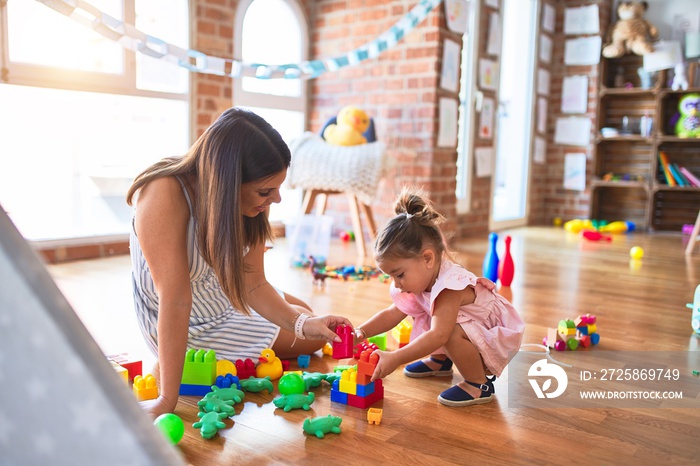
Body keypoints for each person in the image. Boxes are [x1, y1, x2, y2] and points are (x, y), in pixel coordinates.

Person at [126, 107, 353, 417]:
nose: (276, 200)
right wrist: (167, 398)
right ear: (228, 182)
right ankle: (172, 363)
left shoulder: (249, 204)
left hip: (222, 297)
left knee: (310, 319)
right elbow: (175, 298)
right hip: (188, 320)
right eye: (265, 191)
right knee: (308, 342)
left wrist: (302, 323)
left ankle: (281, 328)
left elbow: (253, 282)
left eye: (276, 189)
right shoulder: (163, 192)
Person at [353, 187, 525, 407]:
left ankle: (478, 384)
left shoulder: (449, 288)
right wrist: (362, 332)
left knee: (446, 330)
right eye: (391, 277)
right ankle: (440, 361)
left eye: (399, 274)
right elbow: (392, 313)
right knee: (423, 312)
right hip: (468, 328)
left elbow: (438, 336)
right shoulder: (420, 280)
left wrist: (395, 358)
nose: (396, 283)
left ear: (427, 259)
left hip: (493, 333)